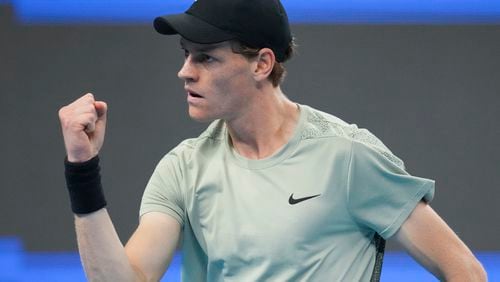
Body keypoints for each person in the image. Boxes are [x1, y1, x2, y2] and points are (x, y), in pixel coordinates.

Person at [58, 0, 487, 281]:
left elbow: (465, 271)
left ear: (262, 63)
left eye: (206, 57)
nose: (185, 71)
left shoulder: (349, 156)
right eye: (185, 54)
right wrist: (82, 170)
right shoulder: (183, 168)